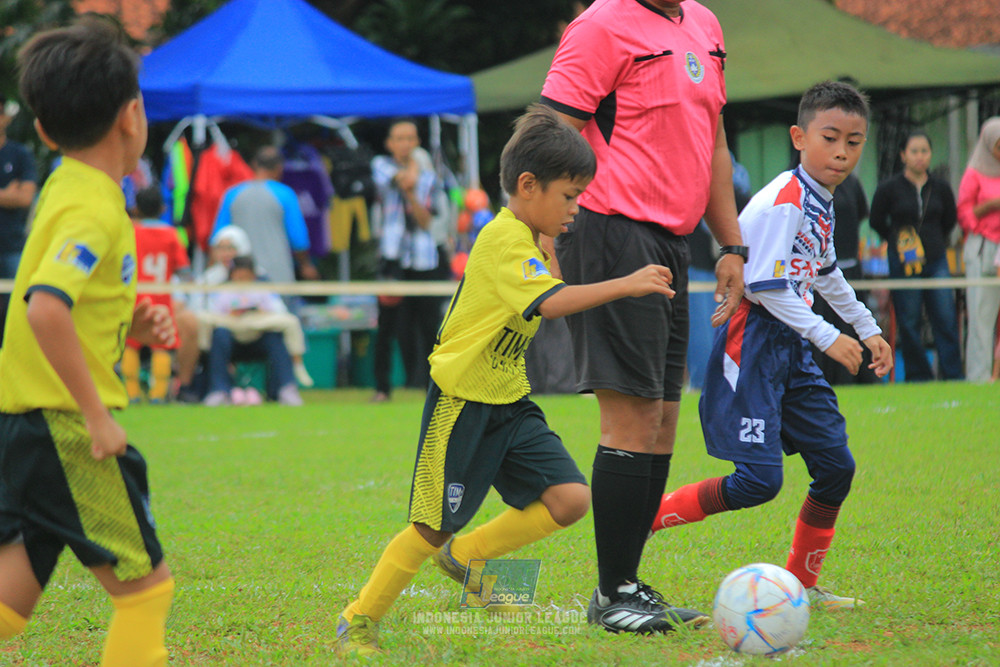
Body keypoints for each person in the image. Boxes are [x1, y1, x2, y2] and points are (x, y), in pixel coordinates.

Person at [336, 105, 677, 654]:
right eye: (569, 196)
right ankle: (356, 620)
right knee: (431, 527)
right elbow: (554, 302)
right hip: (462, 402)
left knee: (570, 499)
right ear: (528, 185)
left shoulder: (529, 237)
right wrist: (627, 282)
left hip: (509, 400)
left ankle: (468, 559)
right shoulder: (503, 239)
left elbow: (551, 283)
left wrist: (553, 242)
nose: (576, 208)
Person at [540, 0, 746, 632]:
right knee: (631, 416)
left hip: (673, 242)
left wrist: (731, 244)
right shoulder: (601, 24)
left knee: (661, 421)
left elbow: (713, 144)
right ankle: (614, 595)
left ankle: (625, 586)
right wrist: (543, 234)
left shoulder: (705, 25)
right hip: (611, 232)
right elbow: (551, 134)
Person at [650, 80, 893, 612]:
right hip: (754, 342)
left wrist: (868, 328)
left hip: (792, 345)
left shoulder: (821, 199)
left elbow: (824, 273)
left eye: (854, 142)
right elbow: (765, 287)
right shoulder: (787, 199)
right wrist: (829, 335)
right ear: (799, 138)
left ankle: (802, 586)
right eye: (830, 138)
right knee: (758, 482)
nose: (842, 152)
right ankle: (646, 517)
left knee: (836, 467)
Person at [0, 17, 175, 665]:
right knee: (146, 592)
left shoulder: (65, 185)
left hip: (24, 423)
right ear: (132, 116)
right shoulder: (95, 206)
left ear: (44, 132)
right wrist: (97, 415)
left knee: (8, 607)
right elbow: (47, 307)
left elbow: (66, 300)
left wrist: (132, 322)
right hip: (66, 428)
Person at [870, 131, 962, 381]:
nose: (920, 156)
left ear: (930, 154)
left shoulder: (941, 187)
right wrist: (896, 240)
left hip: (936, 260)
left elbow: (949, 220)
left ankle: (953, 376)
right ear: (903, 155)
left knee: (945, 317)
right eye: (914, 151)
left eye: (924, 151)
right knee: (909, 321)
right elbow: (876, 219)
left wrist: (933, 240)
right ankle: (918, 376)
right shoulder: (889, 188)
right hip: (903, 262)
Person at [369, 120, 450, 402]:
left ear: (417, 143)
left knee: (430, 326)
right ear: (389, 144)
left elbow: (427, 220)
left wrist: (413, 193)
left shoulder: (430, 179)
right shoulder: (380, 165)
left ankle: (432, 389)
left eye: (409, 139)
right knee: (386, 326)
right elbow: (397, 179)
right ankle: (382, 388)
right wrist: (411, 176)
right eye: (399, 138)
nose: (404, 144)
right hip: (392, 258)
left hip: (424, 258)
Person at [210, 145, 320, 289]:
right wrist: (305, 265)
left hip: (240, 277)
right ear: (279, 168)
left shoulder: (232, 194)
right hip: (277, 275)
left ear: (254, 165)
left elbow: (217, 239)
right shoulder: (285, 194)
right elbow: (298, 240)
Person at [121, 185, 191, 403]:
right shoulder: (171, 234)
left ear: (136, 209)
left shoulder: (130, 231)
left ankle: (132, 392)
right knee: (161, 343)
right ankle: (158, 394)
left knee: (130, 342)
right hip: (161, 297)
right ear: (162, 208)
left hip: (135, 296)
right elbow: (184, 271)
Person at [202, 256, 304, 407]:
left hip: (258, 340)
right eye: (239, 276)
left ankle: (286, 389)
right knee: (219, 335)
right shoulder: (222, 292)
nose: (242, 281)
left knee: (275, 337)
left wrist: (261, 312)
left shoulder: (263, 290)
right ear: (232, 275)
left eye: (246, 277)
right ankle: (219, 391)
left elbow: (280, 312)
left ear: (253, 276)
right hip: (231, 342)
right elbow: (212, 315)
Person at [811, 171, 880, 385]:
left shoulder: (851, 183)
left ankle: (853, 374)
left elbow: (861, 214)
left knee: (849, 319)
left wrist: (870, 331)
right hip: (814, 274)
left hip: (846, 267)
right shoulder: (798, 189)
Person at [957, 117, 1000, 383]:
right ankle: (979, 378)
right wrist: (991, 206)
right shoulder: (974, 173)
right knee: (982, 316)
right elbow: (964, 214)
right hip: (984, 247)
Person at [0, 94, 38, 346]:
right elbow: (17, 196)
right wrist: (7, 193)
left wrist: (16, 195)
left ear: (5, 117)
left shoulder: (20, 154)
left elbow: (25, 197)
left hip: (12, 244)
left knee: (18, 309)